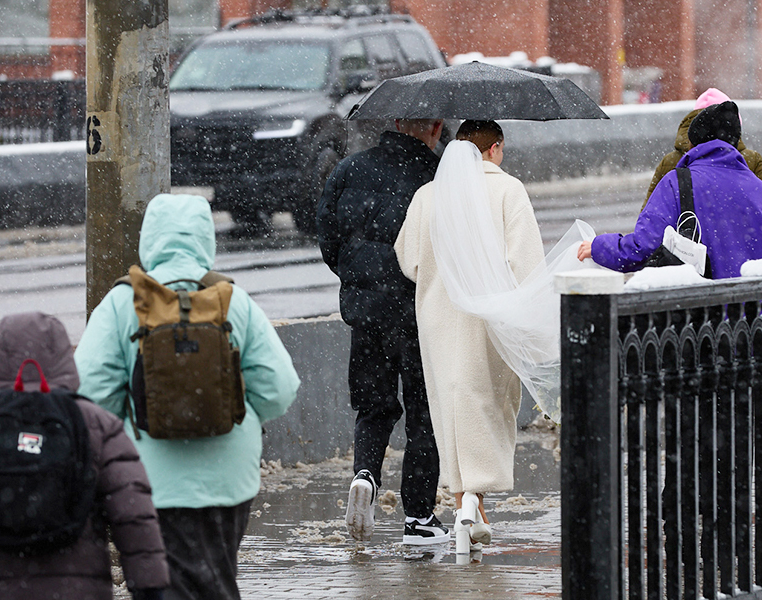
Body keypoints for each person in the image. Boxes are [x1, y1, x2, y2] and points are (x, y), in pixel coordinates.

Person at [75, 194, 300, 600]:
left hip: (148, 481)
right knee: (217, 578)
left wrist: (132, 426)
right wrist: (234, 414)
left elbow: (90, 394)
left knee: (163, 586)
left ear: (149, 238)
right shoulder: (232, 299)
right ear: (205, 237)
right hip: (228, 477)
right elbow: (279, 388)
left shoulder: (123, 301)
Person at [0, 312, 169, 600]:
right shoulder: (97, 424)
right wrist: (149, 590)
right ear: (63, 355)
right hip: (80, 592)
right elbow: (134, 518)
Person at [395, 120, 545, 547]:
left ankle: (465, 501)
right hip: (491, 318)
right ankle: (473, 500)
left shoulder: (427, 195)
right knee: (489, 403)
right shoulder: (508, 190)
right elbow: (526, 262)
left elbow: (408, 260)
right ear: (494, 148)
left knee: (451, 406)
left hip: (438, 317)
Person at [316, 118, 450, 545]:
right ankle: (419, 518)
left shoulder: (349, 168)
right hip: (418, 314)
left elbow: (328, 239)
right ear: (435, 126)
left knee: (373, 407)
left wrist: (359, 279)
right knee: (424, 414)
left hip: (366, 313)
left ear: (394, 121)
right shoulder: (438, 176)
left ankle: (365, 475)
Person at [579, 101, 762, 277]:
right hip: (754, 304)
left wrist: (599, 247)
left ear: (694, 143)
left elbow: (644, 247)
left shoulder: (678, 182)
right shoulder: (761, 190)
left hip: (703, 303)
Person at [645, 88, 762, 226]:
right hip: (740, 238)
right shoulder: (750, 159)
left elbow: (650, 217)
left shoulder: (670, 161)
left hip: (684, 238)